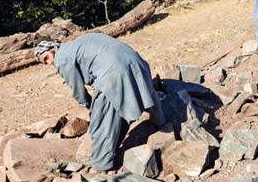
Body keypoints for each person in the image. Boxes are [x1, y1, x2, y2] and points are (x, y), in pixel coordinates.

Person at [35, 35, 165, 173]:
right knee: (145, 91)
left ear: (53, 47)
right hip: (137, 62)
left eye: (47, 57)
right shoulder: (79, 42)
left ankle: (101, 166)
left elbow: (78, 91)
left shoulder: (61, 59)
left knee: (101, 122)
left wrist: (91, 108)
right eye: (45, 62)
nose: (49, 62)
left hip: (113, 73)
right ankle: (160, 120)